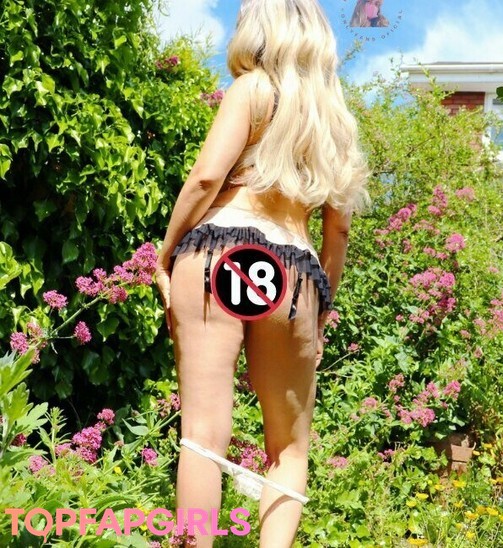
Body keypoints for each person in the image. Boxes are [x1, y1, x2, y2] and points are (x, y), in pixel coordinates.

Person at [153, 0, 370, 545]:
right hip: (293, 271)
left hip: (218, 252)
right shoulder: (337, 125)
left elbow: (207, 180)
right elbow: (338, 233)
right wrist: (320, 313)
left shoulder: (252, 90)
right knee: (289, 450)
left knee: (202, 435)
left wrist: (166, 254)